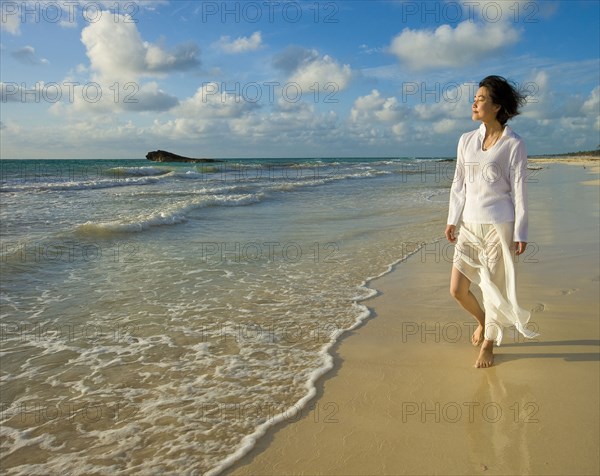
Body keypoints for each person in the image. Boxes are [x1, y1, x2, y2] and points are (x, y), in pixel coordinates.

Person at [445, 75, 539, 368]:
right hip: (470, 227)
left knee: (494, 289)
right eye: (475, 97)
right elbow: (458, 183)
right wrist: (452, 219)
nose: (474, 102)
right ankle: (484, 322)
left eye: (481, 98)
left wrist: (520, 231)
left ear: (497, 106)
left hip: (500, 227)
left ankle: (489, 344)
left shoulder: (514, 144)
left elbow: (520, 191)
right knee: (457, 289)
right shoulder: (466, 140)